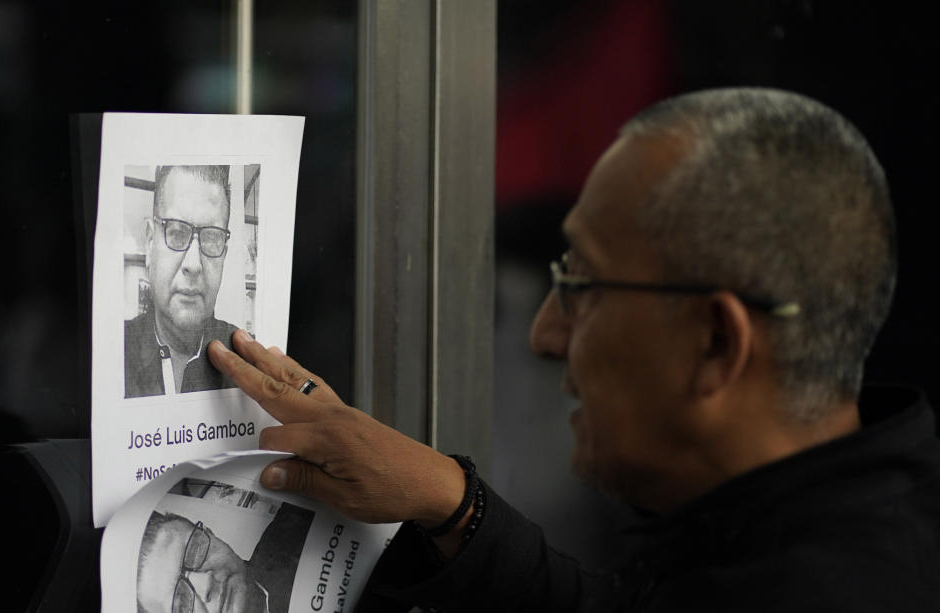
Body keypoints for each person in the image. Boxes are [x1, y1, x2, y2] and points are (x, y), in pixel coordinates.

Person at [207, 88, 940, 611]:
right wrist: (452, 505)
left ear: (717, 342)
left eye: (583, 285)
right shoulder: (812, 527)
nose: (545, 335)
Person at [125, 165, 239, 398]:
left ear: (224, 255)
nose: (193, 264)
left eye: (211, 238)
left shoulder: (246, 359)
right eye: (176, 232)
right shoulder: (110, 354)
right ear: (149, 242)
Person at [136, 503, 313, 613]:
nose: (206, 583)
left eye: (194, 550)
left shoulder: (301, 517)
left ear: (210, 533)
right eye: (181, 605)